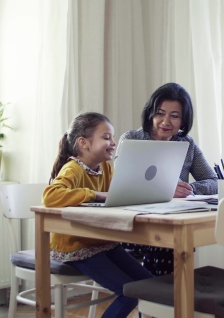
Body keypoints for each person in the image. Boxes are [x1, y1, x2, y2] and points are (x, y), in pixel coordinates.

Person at [43, 112, 153, 318]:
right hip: (76, 247)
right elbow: (50, 195)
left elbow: (118, 193)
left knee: (148, 284)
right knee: (129, 293)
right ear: (84, 143)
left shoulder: (105, 168)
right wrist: (94, 194)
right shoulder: (72, 169)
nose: (113, 143)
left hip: (102, 243)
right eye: (106, 137)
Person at [116, 82, 218, 275]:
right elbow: (120, 184)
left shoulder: (186, 143)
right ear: (150, 113)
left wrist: (192, 189)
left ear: (183, 120)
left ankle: (162, 299)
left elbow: (213, 181)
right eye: (160, 113)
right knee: (167, 242)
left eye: (174, 116)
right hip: (133, 226)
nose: (166, 121)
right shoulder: (132, 139)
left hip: (172, 223)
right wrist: (164, 189)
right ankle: (161, 300)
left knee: (174, 238)